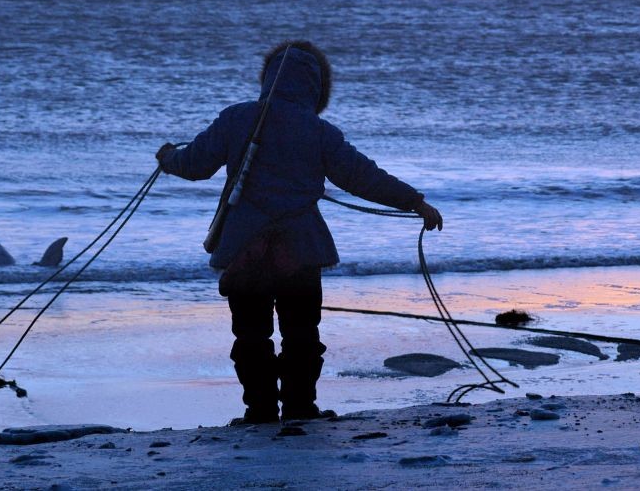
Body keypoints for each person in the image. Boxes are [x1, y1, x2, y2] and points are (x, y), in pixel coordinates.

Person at [155, 40, 442, 425]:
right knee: (302, 335)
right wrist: (415, 202)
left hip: (244, 249)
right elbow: (363, 177)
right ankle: (300, 409)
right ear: (316, 88)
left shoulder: (236, 118)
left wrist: (167, 158)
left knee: (251, 337)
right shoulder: (319, 131)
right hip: (301, 250)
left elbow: (194, 165)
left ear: (268, 79)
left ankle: (259, 412)